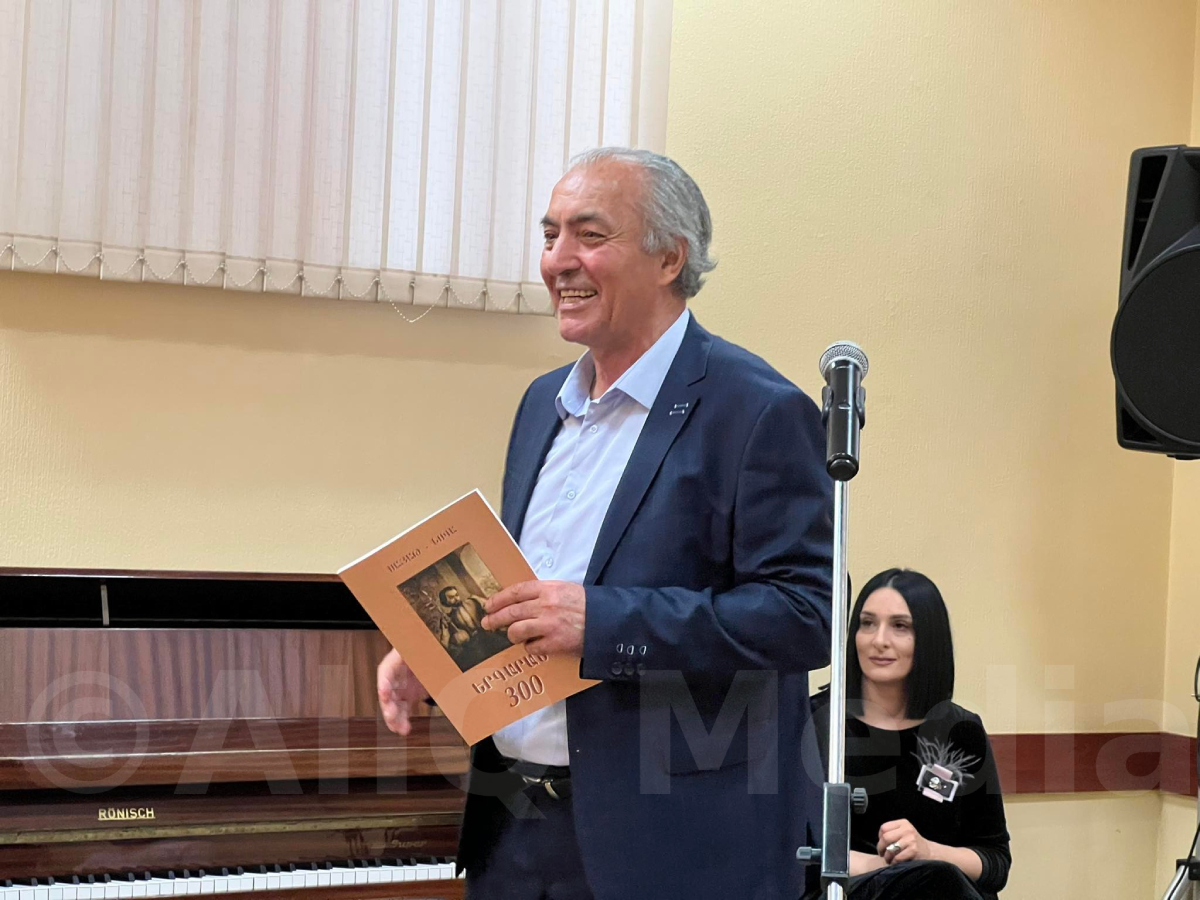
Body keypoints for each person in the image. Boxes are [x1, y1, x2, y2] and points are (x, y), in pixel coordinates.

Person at [378, 146, 834, 900]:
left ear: (669, 258)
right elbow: (536, 593)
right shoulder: (541, 404)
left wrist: (604, 623)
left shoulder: (757, 411)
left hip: (672, 850)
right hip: (514, 827)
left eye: (589, 235)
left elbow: (802, 615)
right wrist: (445, 645)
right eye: (549, 234)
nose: (558, 260)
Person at [809, 568, 1011, 900]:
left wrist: (928, 851)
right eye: (867, 623)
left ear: (928, 640)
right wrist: (891, 868)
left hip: (941, 891)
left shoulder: (961, 731)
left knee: (939, 879)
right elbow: (790, 852)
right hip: (850, 891)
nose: (879, 640)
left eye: (900, 626)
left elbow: (995, 863)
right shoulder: (817, 724)